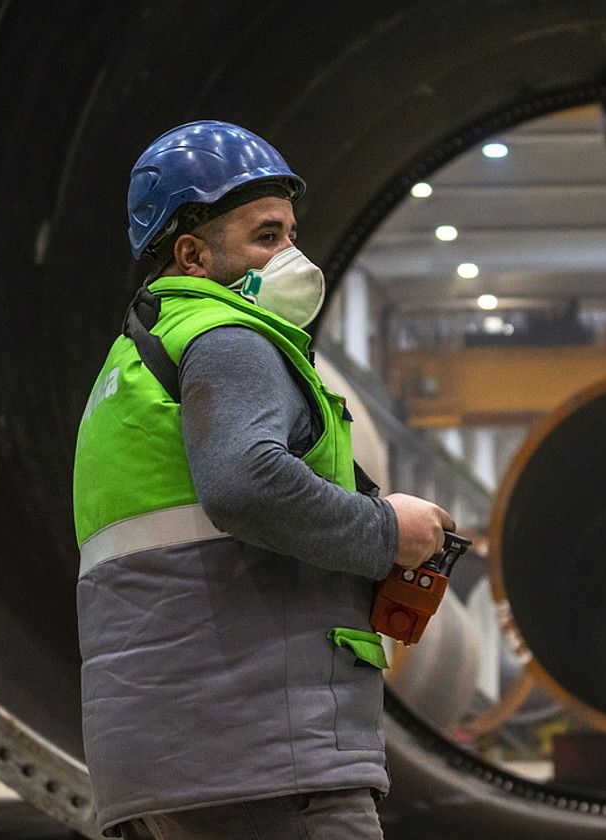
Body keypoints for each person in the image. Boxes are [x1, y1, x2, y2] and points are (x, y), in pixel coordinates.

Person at [72, 120, 453, 840]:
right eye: (266, 237)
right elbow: (245, 484)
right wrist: (386, 532)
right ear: (192, 253)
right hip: (270, 756)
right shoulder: (228, 340)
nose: (292, 257)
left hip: (157, 762)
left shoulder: (125, 374)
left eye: (290, 234)